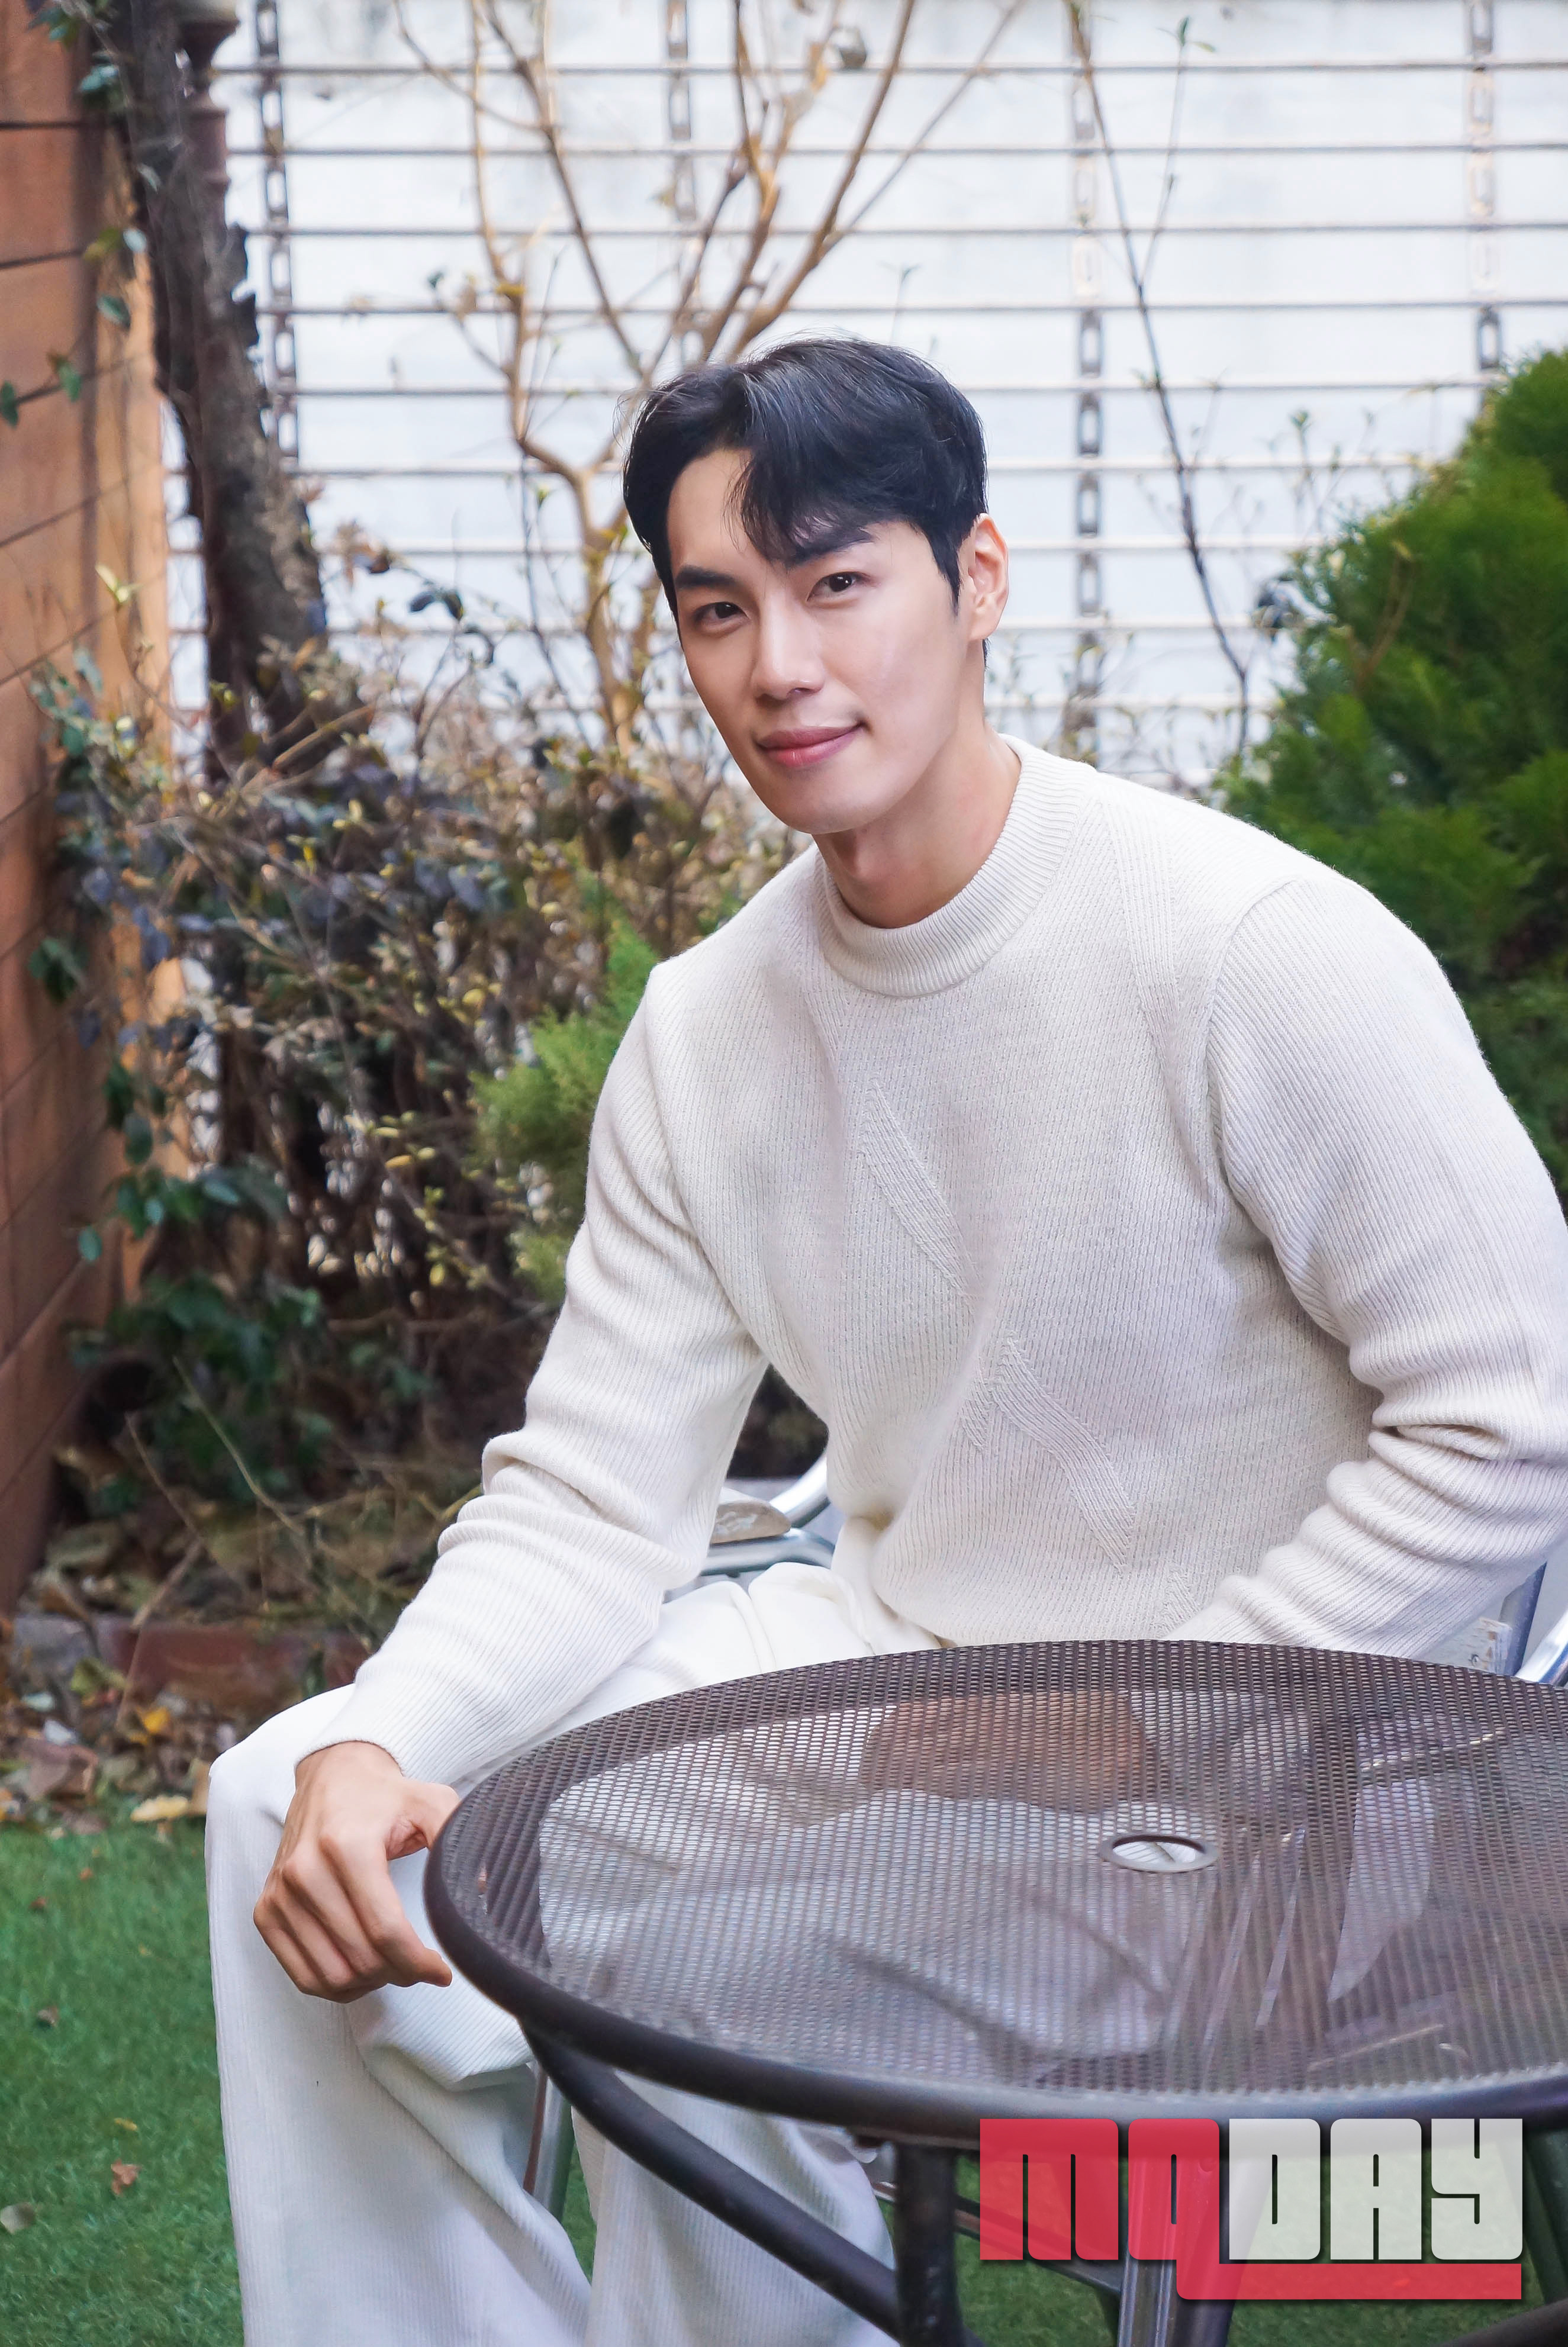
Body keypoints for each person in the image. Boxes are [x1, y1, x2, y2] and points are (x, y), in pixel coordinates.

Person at [207, 338, 1568, 2347]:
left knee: (697, 1967)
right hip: (896, 1664)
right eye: (719, 610)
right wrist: (383, 1734)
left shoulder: (1250, 952)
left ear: (975, 579)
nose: (780, 666)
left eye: (838, 583)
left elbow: (1516, 1419)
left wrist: (1147, 1714)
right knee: (287, 1801)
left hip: (1279, 1769)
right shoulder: (707, 1030)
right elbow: (590, 1500)